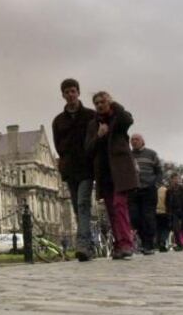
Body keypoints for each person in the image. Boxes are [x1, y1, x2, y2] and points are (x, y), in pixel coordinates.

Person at [84, 92, 138, 259]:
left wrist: (115, 106)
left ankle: (126, 243)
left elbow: (128, 120)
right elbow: (88, 149)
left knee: (119, 205)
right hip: (105, 173)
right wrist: (99, 136)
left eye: (103, 101)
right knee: (111, 210)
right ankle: (118, 244)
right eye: (97, 103)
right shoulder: (93, 125)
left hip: (121, 171)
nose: (100, 105)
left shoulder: (119, 118)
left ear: (110, 102)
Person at [52, 78, 98, 261]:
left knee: (82, 204)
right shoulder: (58, 121)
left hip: (86, 167)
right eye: (66, 92)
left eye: (73, 91)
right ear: (62, 95)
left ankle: (83, 245)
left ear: (78, 92)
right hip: (70, 169)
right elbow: (58, 146)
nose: (70, 95)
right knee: (78, 210)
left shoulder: (90, 115)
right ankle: (90, 244)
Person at [128, 133, 162, 255]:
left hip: (149, 189)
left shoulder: (151, 154)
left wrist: (156, 184)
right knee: (135, 217)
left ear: (142, 141)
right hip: (134, 190)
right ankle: (144, 241)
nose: (134, 142)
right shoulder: (129, 155)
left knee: (148, 216)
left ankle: (149, 244)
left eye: (136, 139)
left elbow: (159, 171)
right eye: (132, 140)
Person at [166, 173, 183, 250]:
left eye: (177, 178)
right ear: (171, 180)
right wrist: (169, 213)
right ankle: (179, 245)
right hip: (174, 211)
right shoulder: (169, 191)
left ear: (180, 179)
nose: (176, 180)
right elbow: (167, 203)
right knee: (176, 229)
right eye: (174, 179)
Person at [155, 182, 170, 252]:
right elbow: (169, 201)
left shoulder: (155, 191)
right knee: (166, 228)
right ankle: (162, 241)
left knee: (159, 229)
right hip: (165, 212)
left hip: (157, 212)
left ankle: (159, 243)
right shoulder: (166, 191)